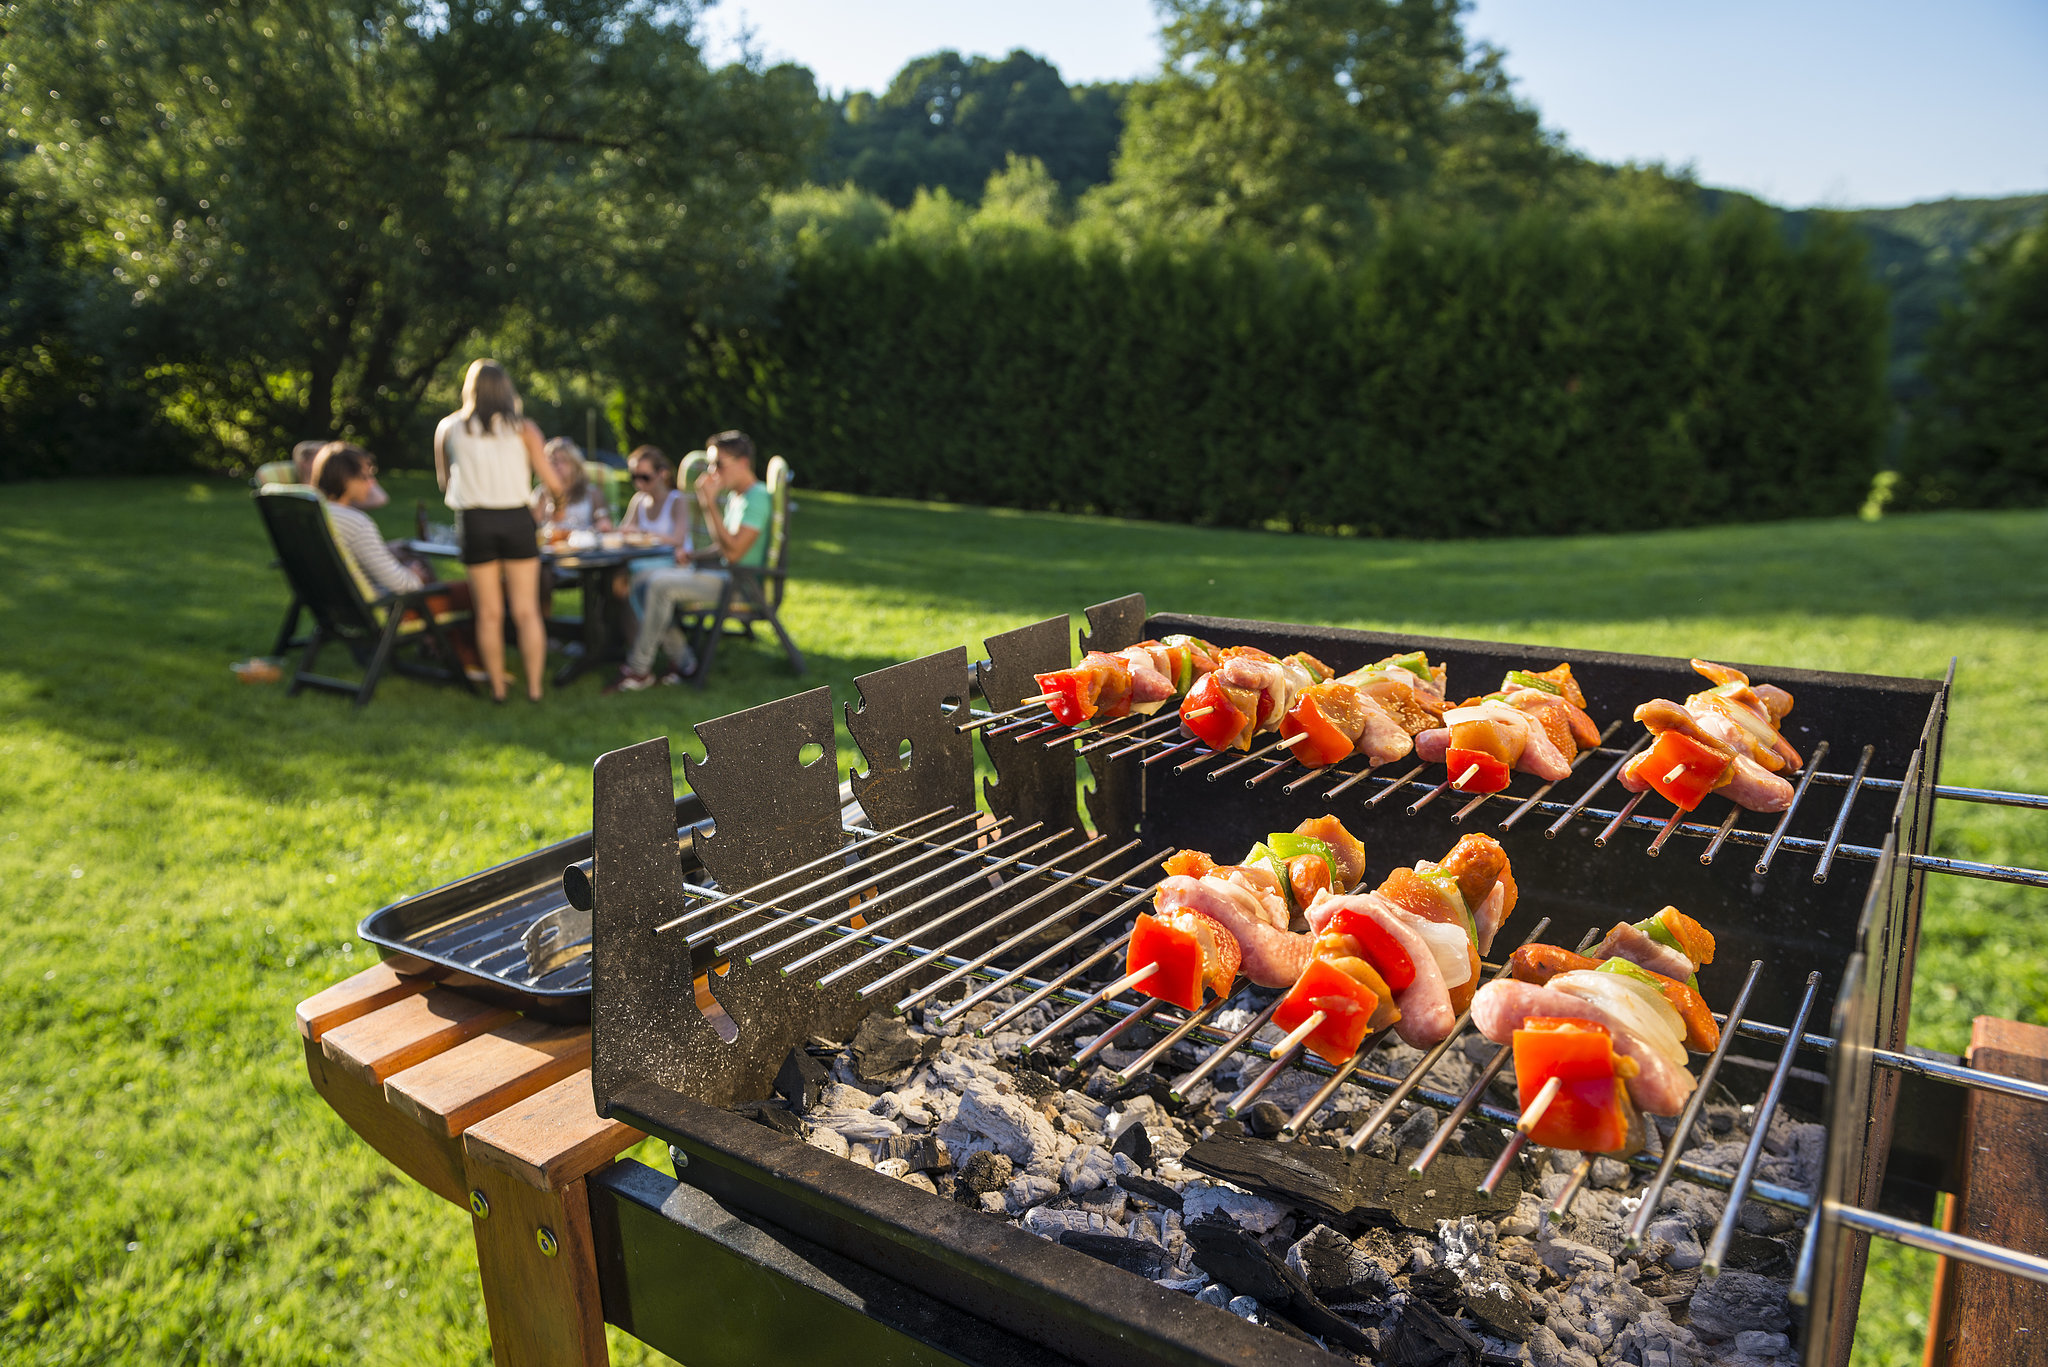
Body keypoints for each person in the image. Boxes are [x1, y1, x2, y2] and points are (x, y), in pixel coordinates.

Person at [433, 359, 563, 703]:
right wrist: (557, 503)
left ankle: (498, 690)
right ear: (507, 389)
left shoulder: (448, 427)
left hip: (475, 521)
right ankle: (535, 690)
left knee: (488, 613)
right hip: (517, 520)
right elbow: (553, 482)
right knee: (526, 610)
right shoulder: (524, 429)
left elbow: (444, 481)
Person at [608, 430, 773, 692]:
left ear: (743, 463)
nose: (712, 472)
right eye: (710, 464)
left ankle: (638, 669)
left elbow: (734, 554)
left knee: (659, 585)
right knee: (641, 580)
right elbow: (723, 546)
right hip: (724, 575)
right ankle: (685, 662)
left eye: (718, 464)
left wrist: (708, 504)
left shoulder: (757, 497)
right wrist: (693, 555)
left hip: (740, 585)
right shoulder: (737, 497)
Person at [311, 442, 481, 679]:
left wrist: (393, 553)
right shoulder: (356, 523)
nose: (372, 483)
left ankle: (441, 646)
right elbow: (405, 586)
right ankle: (467, 661)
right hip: (385, 609)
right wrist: (414, 574)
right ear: (345, 478)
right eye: (366, 476)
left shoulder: (316, 514)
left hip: (338, 606)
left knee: (412, 555)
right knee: (476, 592)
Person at [532, 438, 614, 535]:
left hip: (583, 544)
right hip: (552, 545)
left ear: (575, 464)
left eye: (563, 460)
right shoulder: (542, 492)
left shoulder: (592, 492)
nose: (557, 465)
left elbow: (603, 519)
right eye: (552, 461)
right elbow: (533, 524)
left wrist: (603, 522)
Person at [297, 438, 389, 507]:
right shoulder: (360, 523)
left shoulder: (313, 510)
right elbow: (381, 499)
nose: (372, 482)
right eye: (364, 476)